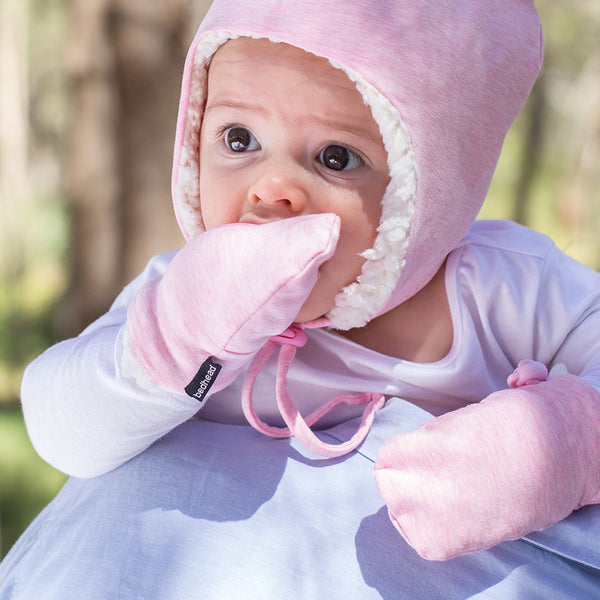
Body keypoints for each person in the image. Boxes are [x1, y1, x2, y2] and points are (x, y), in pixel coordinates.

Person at [2, 0, 600, 597]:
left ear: (433, 190)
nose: (272, 188)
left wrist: (559, 441)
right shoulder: (180, 300)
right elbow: (61, 431)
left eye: (336, 157)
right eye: (239, 139)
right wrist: (167, 346)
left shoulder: (501, 287)